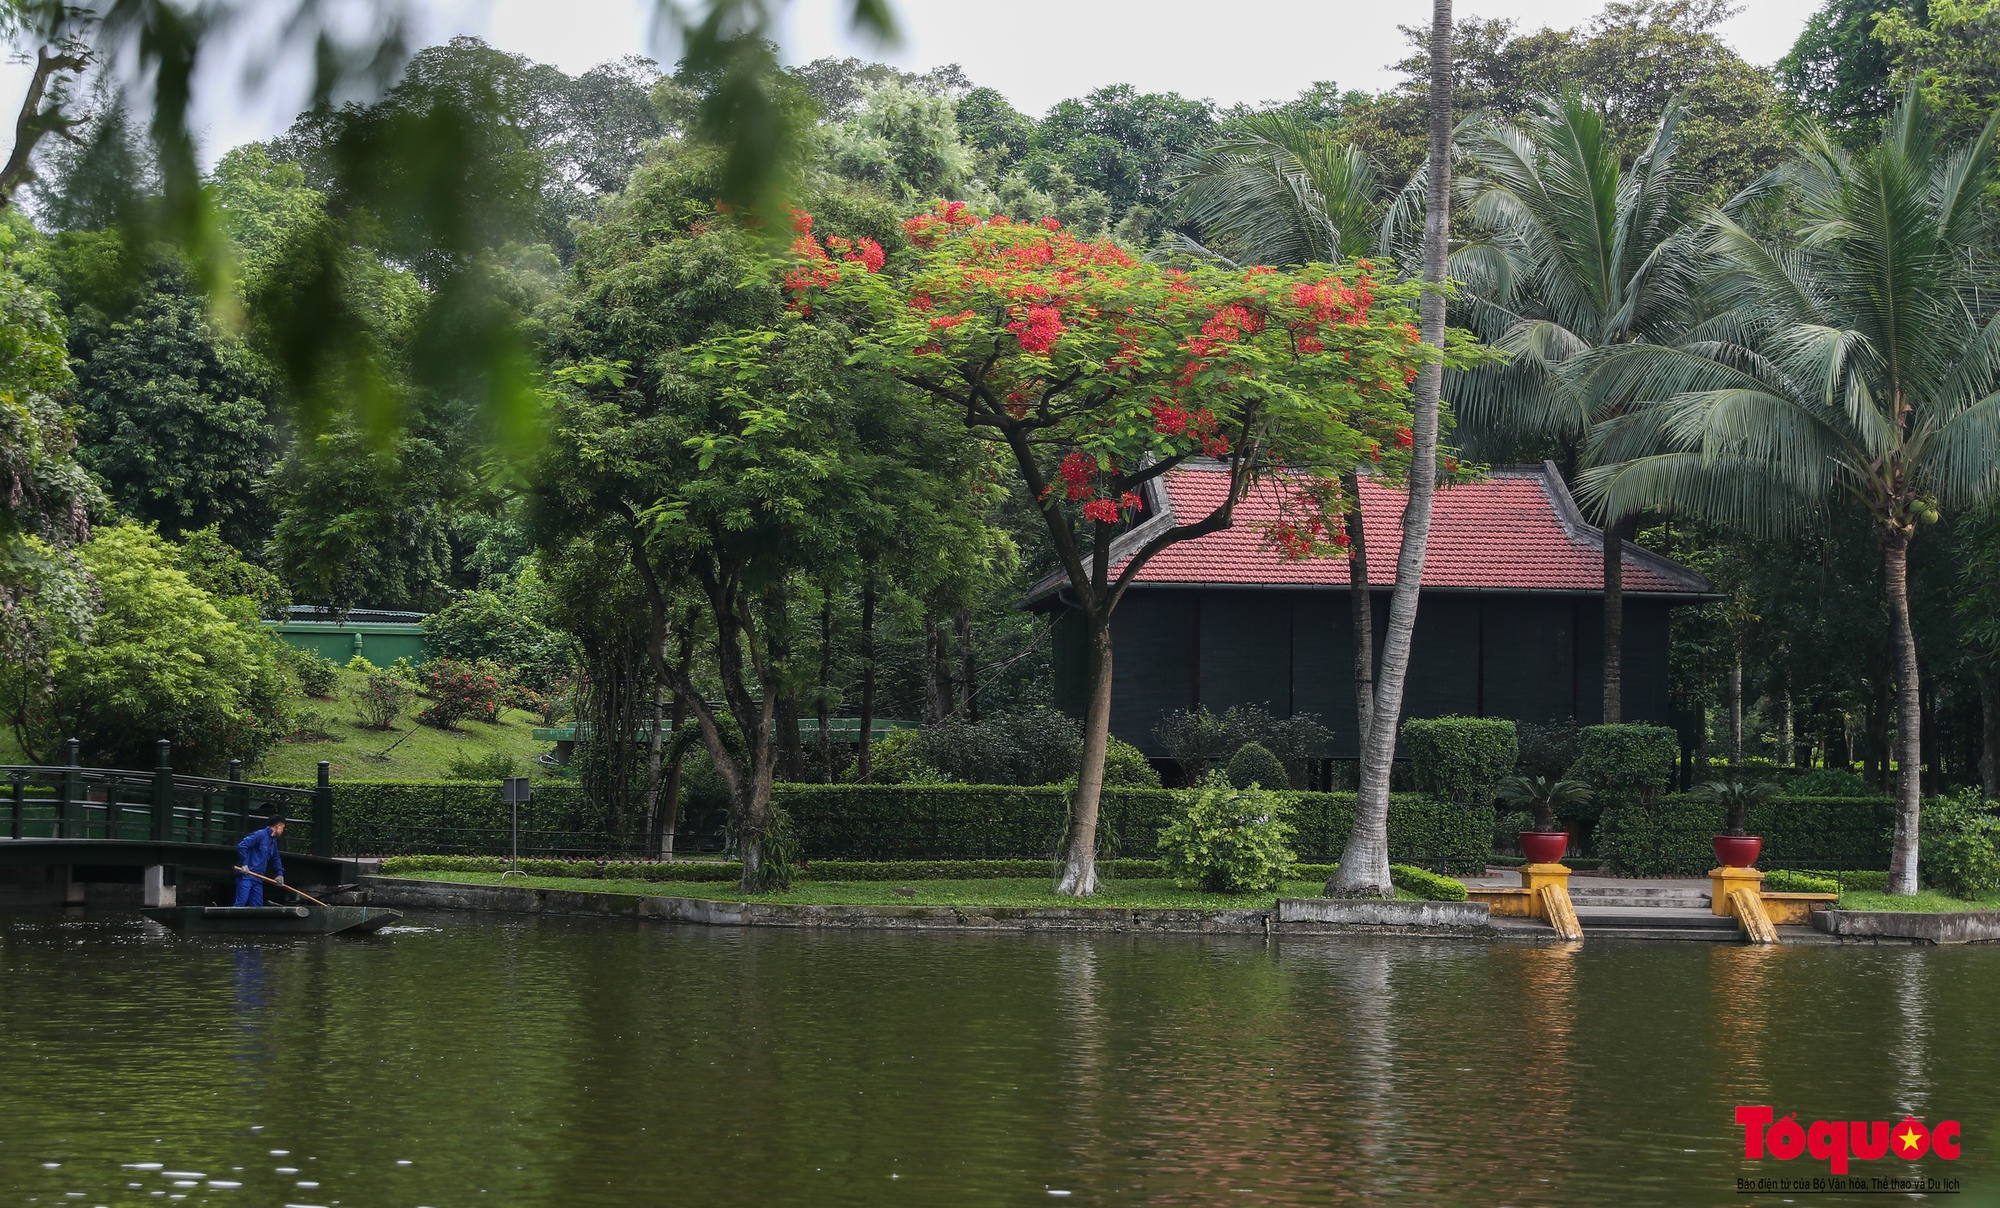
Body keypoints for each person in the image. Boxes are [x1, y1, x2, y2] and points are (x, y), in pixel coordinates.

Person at [233, 815, 287, 906]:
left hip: (258, 878)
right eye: (283, 827)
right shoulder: (260, 835)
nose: (283, 831)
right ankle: (231, 919)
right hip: (247, 875)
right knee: (241, 902)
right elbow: (242, 846)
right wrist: (244, 864)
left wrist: (279, 874)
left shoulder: (273, 842)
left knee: (257, 906)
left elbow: (276, 858)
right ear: (278, 826)